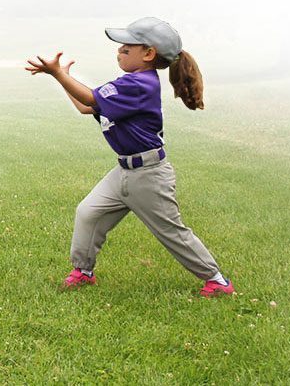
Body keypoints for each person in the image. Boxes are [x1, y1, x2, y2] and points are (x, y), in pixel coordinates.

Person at [25, 17, 234, 297]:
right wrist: (61, 78)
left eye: (127, 46)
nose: (120, 50)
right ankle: (83, 272)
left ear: (148, 54)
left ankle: (217, 280)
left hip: (149, 176)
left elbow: (89, 99)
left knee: (171, 231)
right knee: (88, 212)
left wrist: (59, 75)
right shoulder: (129, 83)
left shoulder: (141, 85)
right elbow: (87, 107)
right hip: (124, 172)